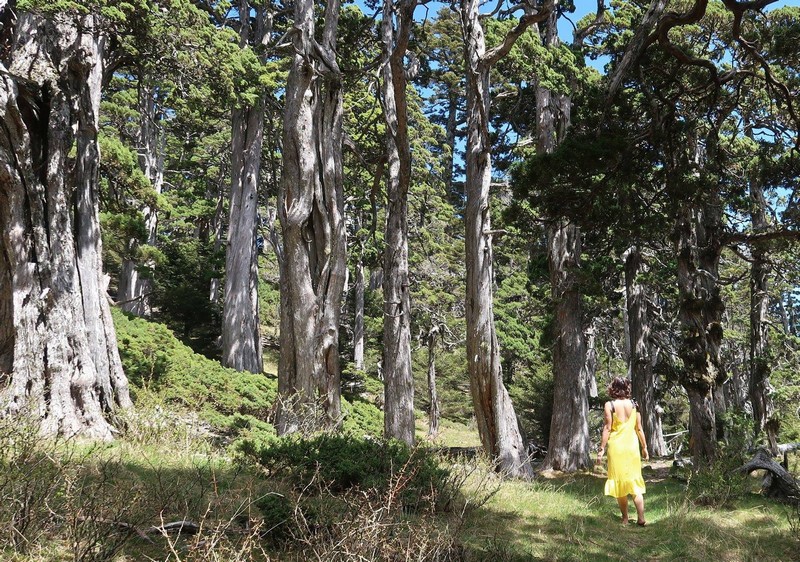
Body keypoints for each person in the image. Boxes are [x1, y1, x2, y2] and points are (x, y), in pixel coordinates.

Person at [596, 377, 649, 526]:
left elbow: (607, 428)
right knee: (634, 483)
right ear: (627, 388)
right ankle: (641, 517)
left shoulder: (610, 405)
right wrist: (644, 448)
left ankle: (625, 518)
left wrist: (601, 450)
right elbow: (639, 428)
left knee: (619, 484)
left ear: (613, 389)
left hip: (616, 448)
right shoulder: (634, 404)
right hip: (632, 447)